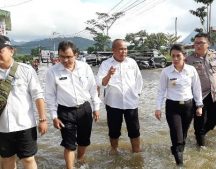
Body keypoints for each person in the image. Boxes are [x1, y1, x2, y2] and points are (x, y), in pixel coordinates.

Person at [45, 41, 101, 169]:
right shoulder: (52, 72)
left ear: (76, 54)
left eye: (68, 57)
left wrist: (96, 108)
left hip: (85, 109)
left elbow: (93, 88)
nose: (65, 60)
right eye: (62, 56)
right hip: (65, 112)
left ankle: (80, 159)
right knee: (69, 144)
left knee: (84, 140)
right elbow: (50, 96)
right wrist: (54, 116)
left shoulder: (85, 67)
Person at [0, 35, 48, 169]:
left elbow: (38, 95)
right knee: (7, 159)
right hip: (2, 126)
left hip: (25, 125)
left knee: (28, 159)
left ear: (11, 51)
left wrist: (43, 119)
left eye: (0, 51)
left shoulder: (26, 70)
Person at [155, 44, 203, 166]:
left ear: (184, 56)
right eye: (173, 56)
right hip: (172, 107)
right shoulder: (166, 72)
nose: (175, 59)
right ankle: (180, 164)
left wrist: (199, 106)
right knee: (177, 136)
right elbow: (161, 91)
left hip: (188, 107)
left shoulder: (191, 70)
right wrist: (158, 108)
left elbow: (196, 88)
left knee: (183, 135)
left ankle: (177, 151)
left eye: (178, 56)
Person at [96, 39, 143, 154]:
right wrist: (109, 75)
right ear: (113, 50)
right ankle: (114, 152)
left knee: (134, 130)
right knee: (114, 131)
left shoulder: (132, 63)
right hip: (113, 104)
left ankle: (136, 152)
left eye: (125, 49)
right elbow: (100, 83)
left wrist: (137, 94)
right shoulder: (106, 64)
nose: (124, 51)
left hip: (131, 103)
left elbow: (139, 80)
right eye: (121, 49)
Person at [186, 33, 216, 146]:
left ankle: (201, 132)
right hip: (199, 97)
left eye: (201, 43)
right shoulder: (188, 60)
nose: (198, 45)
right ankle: (200, 145)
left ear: (208, 44)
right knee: (199, 123)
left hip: (214, 94)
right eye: (196, 43)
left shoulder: (214, 55)